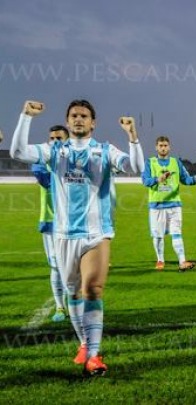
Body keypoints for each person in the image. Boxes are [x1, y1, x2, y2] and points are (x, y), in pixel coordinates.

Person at [10, 99, 144, 376]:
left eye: (84, 115)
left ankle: (93, 356)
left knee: (93, 289)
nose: (79, 119)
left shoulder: (104, 150)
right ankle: (84, 343)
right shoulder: (55, 150)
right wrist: (26, 116)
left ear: (93, 122)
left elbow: (135, 167)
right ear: (68, 121)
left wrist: (132, 137)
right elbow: (18, 151)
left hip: (97, 233)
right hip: (63, 235)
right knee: (72, 292)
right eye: (74, 115)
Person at [141, 136, 196, 272]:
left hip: (174, 205)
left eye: (165, 145)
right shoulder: (150, 162)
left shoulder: (176, 162)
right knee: (158, 235)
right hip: (157, 205)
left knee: (177, 232)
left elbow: (186, 179)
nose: (163, 148)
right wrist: (158, 179)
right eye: (160, 145)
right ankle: (160, 260)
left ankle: (182, 261)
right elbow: (145, 181)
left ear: (169, 147)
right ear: (156, 147)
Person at [31, 125, 70, 322]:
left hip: (74, 222)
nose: (55, 141)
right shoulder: (42, 161)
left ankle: (76, 303)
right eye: (52, 138)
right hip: (51, 221)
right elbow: (45, 179)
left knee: (74, 267)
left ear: (68, 140)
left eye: (59, 138)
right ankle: (60, 306)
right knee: (56, 266)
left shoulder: (77, 159)